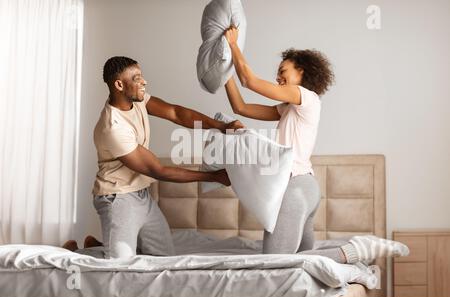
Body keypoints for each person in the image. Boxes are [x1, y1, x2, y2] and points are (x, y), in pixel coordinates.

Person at [222, 26, 409, 264]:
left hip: (295, 189)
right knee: (302, 262)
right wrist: (224, 73)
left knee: (273, 263)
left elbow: (249, 81)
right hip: (305, 188)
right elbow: (241, 108)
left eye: (283, 71)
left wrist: (233, 44)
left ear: (302, 70)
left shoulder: (307, 98)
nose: (278, 77)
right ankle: (354, 249)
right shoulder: (290, 108)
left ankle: (358, 249)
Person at [77, 56, 243, 259]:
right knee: (120, 265)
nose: (144, 81)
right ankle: (79, 253)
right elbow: (159, 170)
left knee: (164, 258)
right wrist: (214, 176)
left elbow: (176, 113)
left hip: (142, 196)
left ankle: (99, 246)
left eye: (142, 76)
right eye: (136, 77)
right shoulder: (112, 127)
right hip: (117, 197)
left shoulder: (137, 102)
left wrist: (221, 126)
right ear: (119, 84)